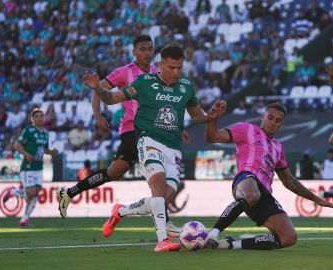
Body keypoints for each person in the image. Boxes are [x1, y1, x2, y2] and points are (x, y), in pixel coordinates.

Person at [83, 45, 226, 252]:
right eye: (171, 68)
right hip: (149, 141)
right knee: (157, 187)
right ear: (160, 65)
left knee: (162, 200)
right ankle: (162, 240)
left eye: (179, 68)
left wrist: (211, 116)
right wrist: (98, 88)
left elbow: (197, 116)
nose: (176, 72)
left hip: (174, 148)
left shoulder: (186, 86)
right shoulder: (144, 82)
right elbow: (112, 98)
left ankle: (121, 211)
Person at [204, 103, 333, 250]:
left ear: (282, 124)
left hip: (264, 194)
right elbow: (212, 137)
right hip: (246, 179)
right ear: (262, 117)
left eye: (278, 120)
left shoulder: (278, 148)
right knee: (252, 193)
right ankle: (212, 235)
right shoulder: (247, 129)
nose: (273, 122)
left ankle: (232, 244)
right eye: (270, 117)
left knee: (288, 237)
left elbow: (289, 181)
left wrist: (316, 199)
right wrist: (212, 120)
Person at [2, 108, 58, 227]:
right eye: (36, 116)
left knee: (35, 194)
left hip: (39, 167)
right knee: (31, 193)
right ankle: (12, 192)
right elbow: (16, 145)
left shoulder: (45, 133)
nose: (39, 118)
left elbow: (44, 149)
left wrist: (52, 152)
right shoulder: (28, 130)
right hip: (28, 167)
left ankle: (24, 220)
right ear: (32, 119)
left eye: (41, 116)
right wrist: (27, 154)